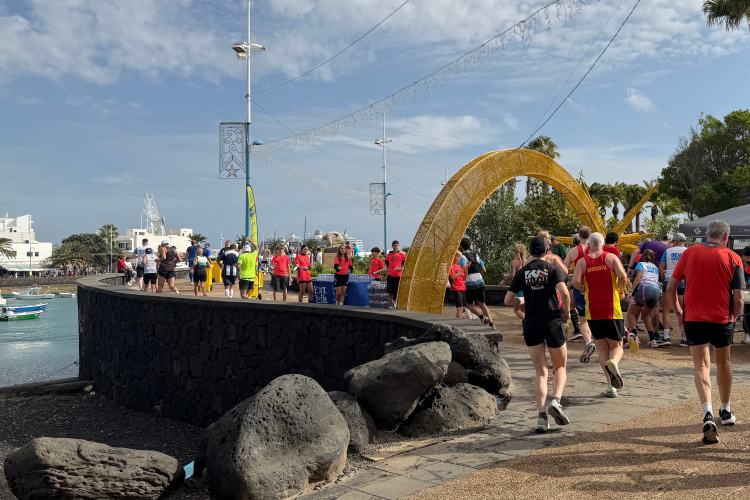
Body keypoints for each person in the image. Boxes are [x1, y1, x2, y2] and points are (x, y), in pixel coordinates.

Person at [668, 220, 743, 444]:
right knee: (723, 362)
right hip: (722, 318)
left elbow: (671, 287)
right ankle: (725, 410)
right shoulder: (733, 257)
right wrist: (732, 317)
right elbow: (739, 298)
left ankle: (707, 412)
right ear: (726, 237)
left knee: (701, 365)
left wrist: (678, 312)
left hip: (693, 317)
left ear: (706, 235)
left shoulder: (689, 253)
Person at [505, 236, 572, 432]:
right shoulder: (552, 269)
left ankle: (541, 418)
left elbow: (508, 300)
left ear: (529, 251)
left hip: (531, 323)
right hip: (552, 321)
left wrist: (521, 302)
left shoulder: (523, 272)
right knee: (560, 367)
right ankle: (556, 401)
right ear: (547, 249)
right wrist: (567, 313)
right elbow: (564, 292)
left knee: (541, 372)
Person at [572, 232, 629, 398]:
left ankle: (610, 386)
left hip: (593, 310)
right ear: (603, 244)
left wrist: (583, 289)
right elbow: (623, 276)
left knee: (602, 346)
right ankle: (614, 362)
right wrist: (621, 290)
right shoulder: (611, 258)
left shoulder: (582, 261)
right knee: (617, 346)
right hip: (612, 309)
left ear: (589, 245)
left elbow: (575, 282)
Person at [564, 226, 597, 364]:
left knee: (583, 319)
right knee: (599, 316)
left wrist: (574, 269)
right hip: (595, 285)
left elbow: (564, 268)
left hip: (580, 286)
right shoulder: (596, 248)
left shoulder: (574, 251)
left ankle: (589, 342)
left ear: (579, 236)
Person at [627, 249, 660, 350]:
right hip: (656, 291)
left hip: (645, 288)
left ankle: (635, 337)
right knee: (645, 315)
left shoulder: (641, 264)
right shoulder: (655, 267)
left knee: (631, 313)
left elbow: (638, 278)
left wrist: (631, 291)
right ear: (653, 257)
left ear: (643, 256)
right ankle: (652, 340)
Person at [460, 237, 495, 329]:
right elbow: (484, 269)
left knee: (467, 304)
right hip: (480, 281)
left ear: (461, 246)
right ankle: (491, 324)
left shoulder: (462, 257)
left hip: (469, 282)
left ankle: (481, 316)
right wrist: (476, 272)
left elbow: (462, 270)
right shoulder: (476, 255)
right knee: (482, 304)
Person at [660, 233, 688, 346]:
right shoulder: (688, 251)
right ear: (684, 241)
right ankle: (684, 337)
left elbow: (661, 268)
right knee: (682, 310)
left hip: (669, 280)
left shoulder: (667, 251)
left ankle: (666, 337)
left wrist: (663, 281)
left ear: (675, 242)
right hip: (683, 282)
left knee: (666, 310)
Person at [499, 244, 527, 321]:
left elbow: (512, 275)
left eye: (513, 250)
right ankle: (526, 325)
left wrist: (504, 280)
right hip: (527, 287)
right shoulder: (527, 262)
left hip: (518, 288)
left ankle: (528, 321)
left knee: (517, 310)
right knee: (523, 309)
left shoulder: (513, 262)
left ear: (516, 252)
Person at [385, 241, 407, 309]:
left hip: (398, 275)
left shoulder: (402, 255)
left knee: (397, 292)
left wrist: (401, 269)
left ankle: (397, 305)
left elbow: (406, 265)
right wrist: (384, 268)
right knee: (390, 292)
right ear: (392, 246)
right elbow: (387, 265)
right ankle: (390, 306)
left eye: (397, 245)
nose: (396, 247)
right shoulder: (389, 255)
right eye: (394, 245)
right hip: (390, 275)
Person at [449, 250, 468, 319]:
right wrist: (462, 270)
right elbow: (452, 277)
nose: (459, 259)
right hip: (456, 288)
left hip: (462, 288)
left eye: (459, 257)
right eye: (457, 257)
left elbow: (464, 278)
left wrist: (466, 269)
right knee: (459, 308)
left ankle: (457, 320)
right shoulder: (451, 267)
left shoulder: (459, 266)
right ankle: (459, 322)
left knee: (462, 308)